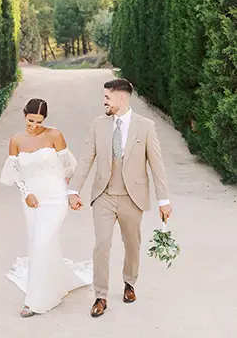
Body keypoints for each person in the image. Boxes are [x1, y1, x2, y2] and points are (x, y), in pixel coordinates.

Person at [68, 78, 172, 318]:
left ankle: (129, 283)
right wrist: (74, 190)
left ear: (121, 98)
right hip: (103, 195)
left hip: (132, 197)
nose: (104, 101)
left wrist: (163, 199)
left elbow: (157, 165)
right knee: (102, 245)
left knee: (132, 245)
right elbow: (86, 159)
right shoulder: (98, 125)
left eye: (107, 97)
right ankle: (100, 296)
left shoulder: (145, 127)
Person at [0, 98, 92, 317]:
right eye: (31, 120)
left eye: (39, 121)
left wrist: (72, 195)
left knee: (42, 243)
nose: (34, 125)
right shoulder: (16, 140)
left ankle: (34, 302)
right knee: (38, 244)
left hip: (55, 197)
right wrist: (26, 193)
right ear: (24, 115)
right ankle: (52, 282)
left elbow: (69, 169)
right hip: (31, 200)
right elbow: (15, 173)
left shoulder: (54, 135)